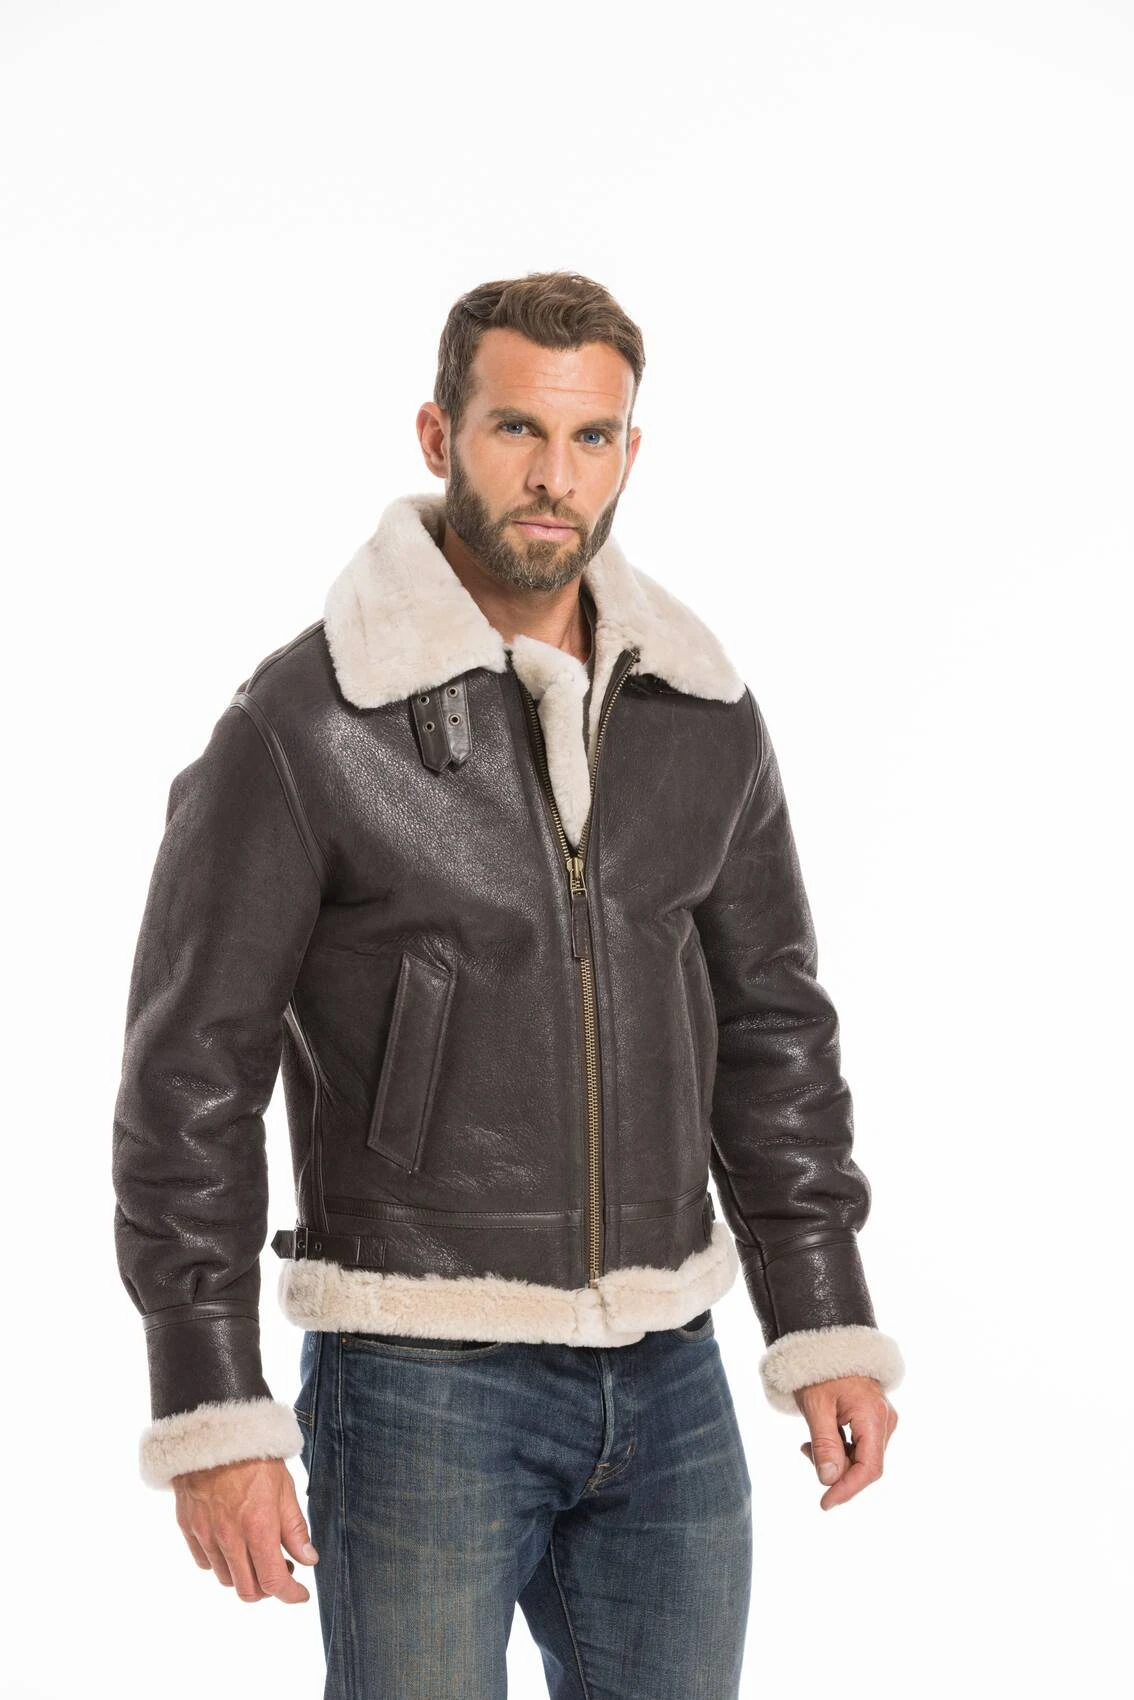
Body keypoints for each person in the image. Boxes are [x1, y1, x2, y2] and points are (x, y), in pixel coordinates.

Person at [112, 269, 903, 1698]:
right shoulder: (306, 723)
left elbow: (772, 1031)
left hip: (668, 1370)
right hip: (418, 1377)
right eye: (516, 430)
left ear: (630, 451)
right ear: (438, 435)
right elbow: (190, 1081)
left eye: (591, 436)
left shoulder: (699, 709)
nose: (555, 476)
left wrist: (821, 1312)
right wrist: (213, 1400)